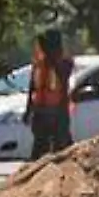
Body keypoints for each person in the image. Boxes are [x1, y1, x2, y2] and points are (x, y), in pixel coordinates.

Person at [24, 29, 76, 158]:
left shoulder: (65, 62)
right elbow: (33, 87)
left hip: (58, 111)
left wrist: (50, 56)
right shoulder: (39, 63)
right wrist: (28, 110)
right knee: (39, 149)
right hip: (40, 111)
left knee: (62, 150)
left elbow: (63, 77)